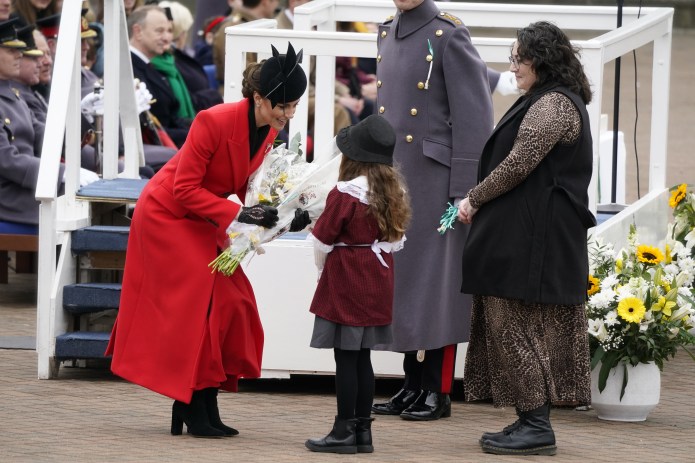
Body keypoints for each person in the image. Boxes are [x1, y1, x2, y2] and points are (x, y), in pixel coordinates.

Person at [105, 42, 310, 438]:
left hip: (205, 217)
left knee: (233, 301)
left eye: (293, 106)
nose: (287, 115)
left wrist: (286, 213)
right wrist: (239, 213)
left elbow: (253, 190)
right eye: (280, 106)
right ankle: (192, 402)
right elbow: (183, 189)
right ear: (257, 97)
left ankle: (200, 400)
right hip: (167, 216)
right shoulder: (212, 120)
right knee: (203, 305)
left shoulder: (270, 130)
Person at [457, 21, 595, 456]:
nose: (512, 67)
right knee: (509, 323)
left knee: (513, 325)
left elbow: (520, 163)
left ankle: (536, 424)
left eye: (519, 58)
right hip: (526, 232)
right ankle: (528, 417)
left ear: (542, 60)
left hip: (534, 237)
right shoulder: (544, 99)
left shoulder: (553, 105)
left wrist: (473, 198)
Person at [370, 0, 494, 421]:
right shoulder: (388, 29)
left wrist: (465, 190)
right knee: (404, 285)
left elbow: (475, 117)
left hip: (438, 184)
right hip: (398, 181)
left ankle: (437, 391)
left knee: (436, 288)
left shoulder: (448, 34)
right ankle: (411, 383)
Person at [304, 115, 411, 454]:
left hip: (348, 278)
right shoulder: (390, 191)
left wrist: (321, 269)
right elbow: (395, 241)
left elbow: (322, 240)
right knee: (363, 358)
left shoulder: (345, 193)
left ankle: (342, 431)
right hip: (377, 278)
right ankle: (362, 432)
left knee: (346, 360)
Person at [129, 4, 192, 147]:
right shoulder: (129, 68)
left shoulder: (145, 64)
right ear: (138, 32)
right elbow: (149, 129)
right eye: (159, 31)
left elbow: (170, 115)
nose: (167, 38)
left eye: (169, 31)